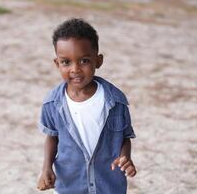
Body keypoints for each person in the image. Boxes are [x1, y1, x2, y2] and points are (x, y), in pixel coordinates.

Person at [37, 18, 136, 194]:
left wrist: (125, 157)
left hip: (108, 185)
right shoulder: (52, 103)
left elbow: (124, 137)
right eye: (66, 62)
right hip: (70, 185)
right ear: (57, 64)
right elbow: (52, 137)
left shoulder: (116, 101)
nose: (75, 69)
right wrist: (46, 168)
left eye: (84, 61)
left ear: (98, 61)